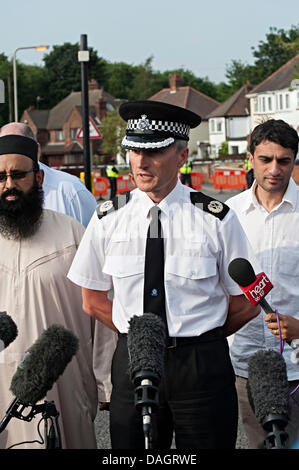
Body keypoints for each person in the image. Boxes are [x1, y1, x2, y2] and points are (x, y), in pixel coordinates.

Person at [68, 100, 261, 450]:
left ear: (182, 156)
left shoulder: (217, 219)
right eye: (134, 150)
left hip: (200, 364)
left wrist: (205, 335)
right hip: (133, 360)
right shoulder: (107, 219)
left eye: (154, 152)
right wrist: (143, 337)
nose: (140, 162)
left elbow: (248, 302)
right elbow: (92, 300)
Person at [0, 133, 117, 449]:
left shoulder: (71, 233)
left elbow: (101, 309)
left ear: (37, 177)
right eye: (1, 177)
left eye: (18, 174)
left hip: (62, 384)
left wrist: (107, 382)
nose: (9, 185)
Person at [226, 119, 299, 449]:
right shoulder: (228, 215)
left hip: (297, 367)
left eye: (284, 160)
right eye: (265, 159)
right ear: (250, 158)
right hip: (246, 364)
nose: (274, 169)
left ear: (294, 160)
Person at [0, 123, 97, 228]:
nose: (9, 184)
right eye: (3, 146)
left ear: (37, 150)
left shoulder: (70, 191)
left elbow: (96, 238)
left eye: (17, 146)